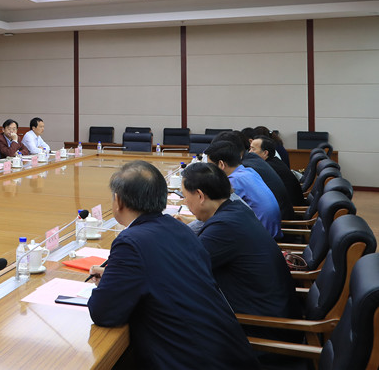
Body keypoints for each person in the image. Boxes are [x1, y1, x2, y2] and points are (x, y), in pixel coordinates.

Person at [87, 161, 260, 370]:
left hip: (191, 361)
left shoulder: (130, 242)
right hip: (229, 353)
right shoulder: (179, 228)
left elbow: (104, 313)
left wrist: (111, 283)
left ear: (118, 201)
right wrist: (116, 277)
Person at [180, 162, 301, 344]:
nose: (184, 201)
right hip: (272, 315)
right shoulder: (236, 210)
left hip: (261, 333)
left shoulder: (224, 227)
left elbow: (182, 268)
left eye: (184, 196)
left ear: (200, 195)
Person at [205, 141, 282, 239]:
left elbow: (215, 213)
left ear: (221, 164)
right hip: (268, 233)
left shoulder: (233, 182)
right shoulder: (249, 171)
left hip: (259, 237)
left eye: (210, 166)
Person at [213, 130, 293, 220]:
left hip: (279, 221)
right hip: (277, 218)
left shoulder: (245, 168)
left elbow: (220, 206)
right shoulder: (253, 161)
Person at [250, 136, 306, 206]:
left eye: (253, 149)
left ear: (265, 153)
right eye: (250, 148)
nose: (249, 152)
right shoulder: (274, 162)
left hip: (290, 209)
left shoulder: (268, 168)